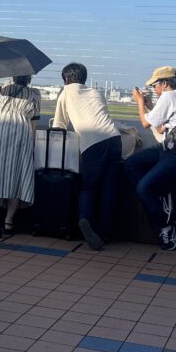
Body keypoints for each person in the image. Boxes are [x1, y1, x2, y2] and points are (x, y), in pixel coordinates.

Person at [127, 65, 176, 251]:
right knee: (131, 164)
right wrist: (150, 104)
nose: (154, 89)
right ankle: (159, 195)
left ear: (165, 84)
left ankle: (166, 226)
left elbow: (145, 123)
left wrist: (140, 102)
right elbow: (160, 128)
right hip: (171, 149)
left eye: (155, 85)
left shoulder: (169, 97)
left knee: (143, 188)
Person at [52, 62, 123, 251]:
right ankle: (104, 234)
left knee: (88, 187)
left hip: (93, 144)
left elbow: (59, 125)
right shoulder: (96, 92)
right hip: (114, 139)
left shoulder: (66, 92)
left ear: (66, 79)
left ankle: (85, 219)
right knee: (109, 188)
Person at [0, 75, 41, 237]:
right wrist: (31, 143)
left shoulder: (3, 90)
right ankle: (8, 221)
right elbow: (34, 121)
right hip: (22, 132)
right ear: (29, 77)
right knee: (18, 174)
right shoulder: (34, 94)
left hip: (2, 131)